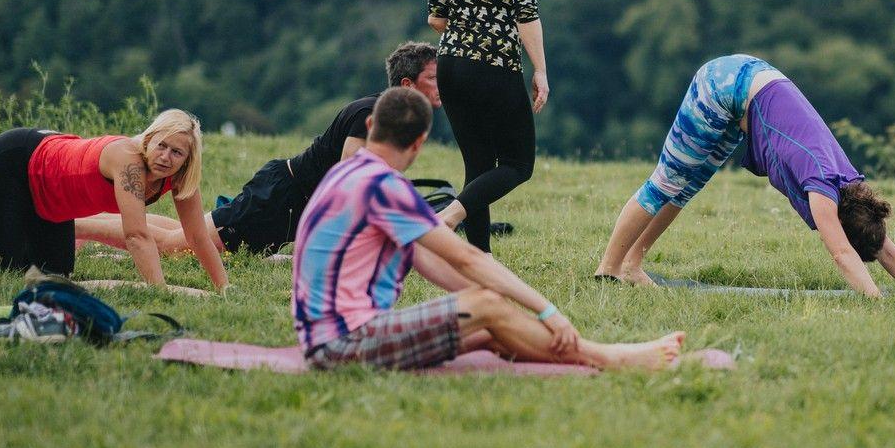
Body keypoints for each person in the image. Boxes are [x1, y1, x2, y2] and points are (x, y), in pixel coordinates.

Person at [292, 87, 682, 372]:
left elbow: (427, 259)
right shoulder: (384, 186)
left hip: (325, 341)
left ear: (372, 124)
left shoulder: (348, 173)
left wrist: (484, 301)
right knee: (485, 308)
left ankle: (591, 355)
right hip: (342, 344)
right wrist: (547, 310)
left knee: (488, 326)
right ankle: (612, 358)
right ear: (420, 142)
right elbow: (464, 256)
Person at [594, 54, 895, 298]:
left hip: (751, 87)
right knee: (666, 182)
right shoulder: (822, 191)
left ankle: (631, 265)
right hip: (724, 85)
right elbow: (843, 253)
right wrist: (876, 301)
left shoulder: (854, 193)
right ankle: (608, 271)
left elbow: (883, 246)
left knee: (685, 188)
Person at [74, 42, 441, 256]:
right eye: (434, 78)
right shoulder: (370, 113)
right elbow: (350, 187)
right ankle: (72, 225)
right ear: (407, 84)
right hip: (279, 200)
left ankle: (79, 224)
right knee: (178, 246)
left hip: (287, 201)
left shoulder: (389, 116)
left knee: (192, 234)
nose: (443, 85)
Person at [0, 109, 228, 291]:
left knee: (53, 275)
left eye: (177, 152)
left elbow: (198, 237)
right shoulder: (129, 161)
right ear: (148, 140)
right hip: (14, 164)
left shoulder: (182, 179)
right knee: (7, 269)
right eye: (161, 145)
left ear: (188, 159)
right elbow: (137, 235)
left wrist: (224, 287)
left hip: (54, 199)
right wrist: (159, 293)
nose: (166, 156)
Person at [427, 0, 546, 254]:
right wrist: (540, 70)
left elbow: (437, 19)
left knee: (478, 165)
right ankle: (448, 217)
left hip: (450, 65)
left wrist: (468, 13)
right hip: (493, 63)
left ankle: (479, 261)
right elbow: (525, 13)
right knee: (517, 164)